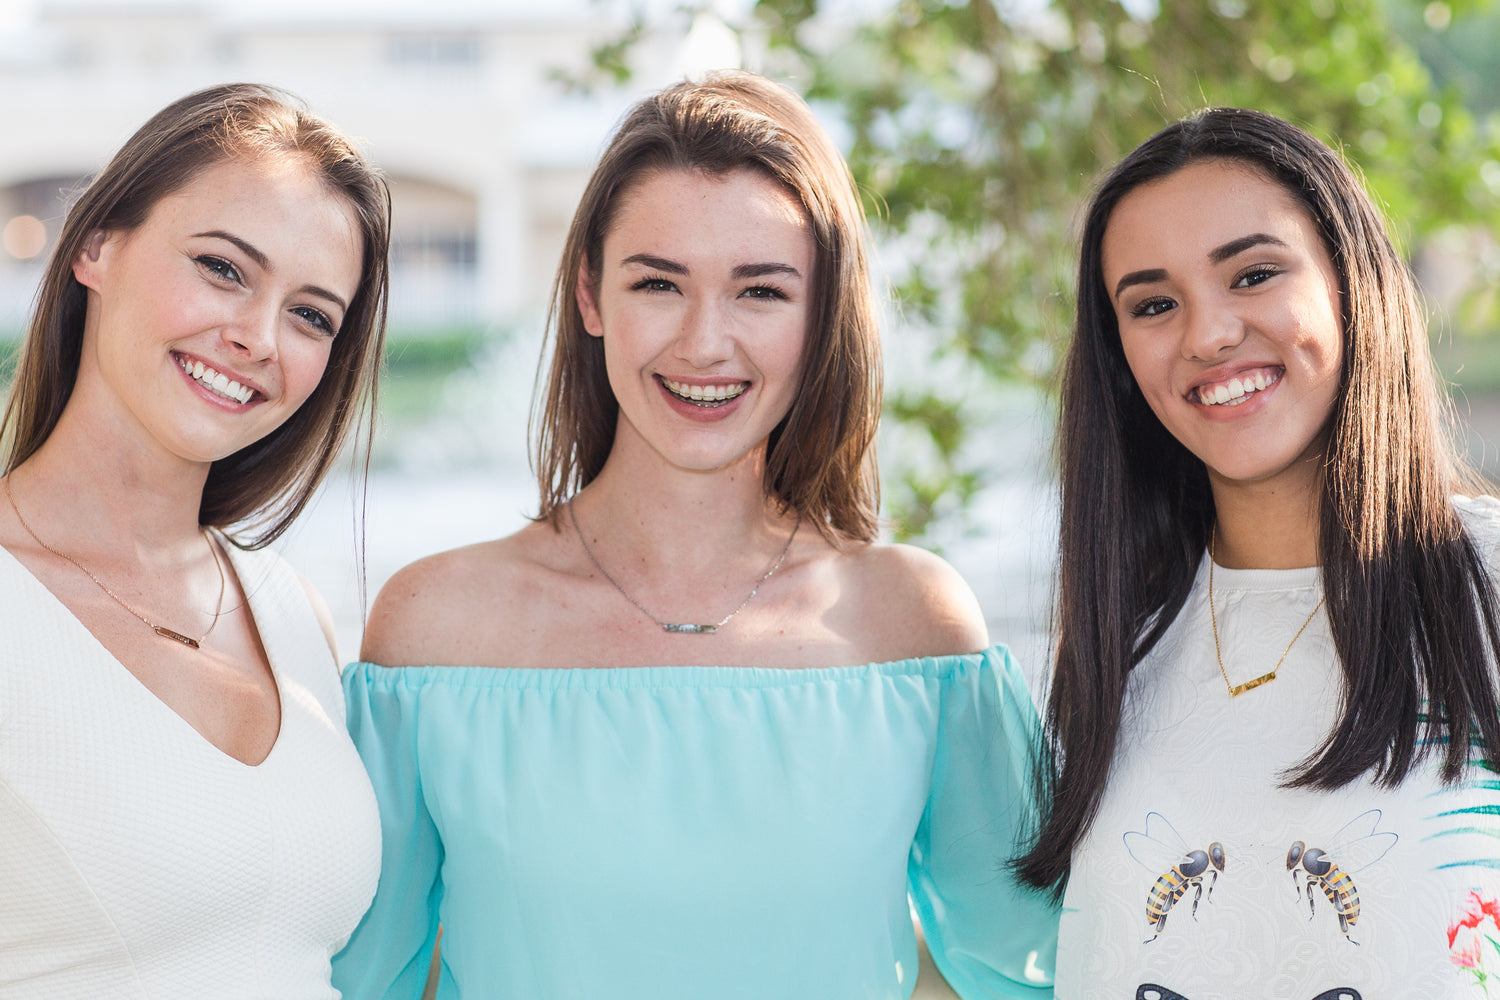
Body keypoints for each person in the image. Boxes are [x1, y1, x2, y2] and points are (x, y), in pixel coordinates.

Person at [333, 70, 1056, 1000]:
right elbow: (355, 980)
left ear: (821, 313)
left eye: (760, 291)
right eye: (659, 283)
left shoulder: (913, 626)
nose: (705, 343)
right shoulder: (432, 629)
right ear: (592, 296)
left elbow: (1029, 972)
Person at [1014, 106, 1500, 996]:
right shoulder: (1118, 647)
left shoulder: (1485, 585)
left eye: (1254, 273)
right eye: (1154, 304)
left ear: (1351, 284)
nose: (1207, 336)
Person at [0, 83, 390, 997]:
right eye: (223, 268)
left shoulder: (292, 614)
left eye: (310, 315)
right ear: (97, 244)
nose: (256, 336)